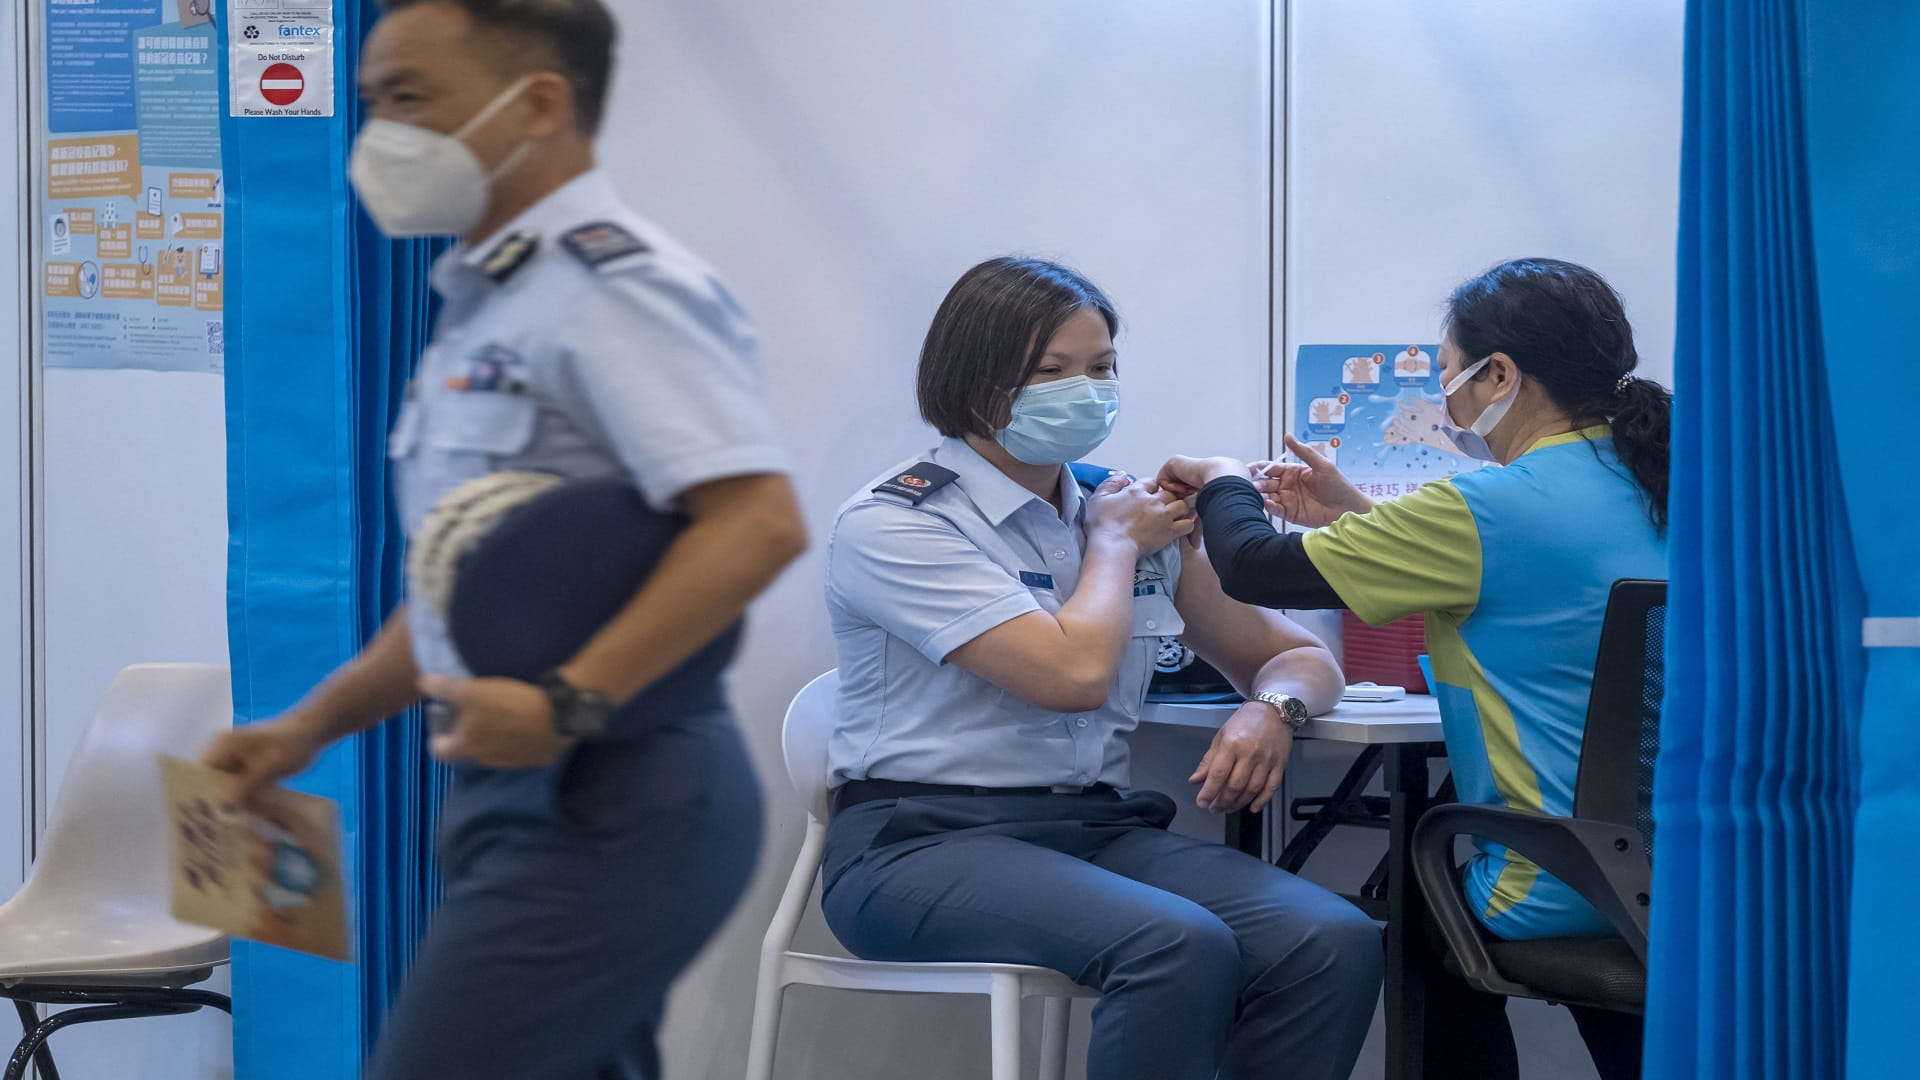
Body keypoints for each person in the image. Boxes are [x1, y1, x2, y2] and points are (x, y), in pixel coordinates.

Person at [197, 0, 806, 1076]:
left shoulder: (615, 289)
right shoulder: (487, 301)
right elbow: (453, 596)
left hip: (616, 787)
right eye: (373, 102)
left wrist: (571, 700)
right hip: (514, 785)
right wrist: (305, 727)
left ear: (537, 105)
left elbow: (757, 522)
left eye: (411, 97)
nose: (381, 132)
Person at [822, 257, 1383, 1080]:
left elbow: (1299, 657)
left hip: (1095, 830)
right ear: (971, 380)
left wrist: (1272, 711)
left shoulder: (1117, 507)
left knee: (1330, 939)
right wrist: (1115, 546)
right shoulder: (901, 522)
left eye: (1101, 367)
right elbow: (1072, 677)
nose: (1083, 390)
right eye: (1050, 371)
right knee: (1175, 945)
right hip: (916, 845)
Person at [1158, 257, 1670, 1080]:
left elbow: (1252, 566)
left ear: (1500, 374)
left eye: (1449, 377)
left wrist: (1222, 478)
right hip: (1690, 868)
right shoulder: (1665, 482)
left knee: (1419, 915)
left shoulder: (1494, 505)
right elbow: (1507, 578)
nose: (1447, 401)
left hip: (1559, 879)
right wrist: (1355, 515)